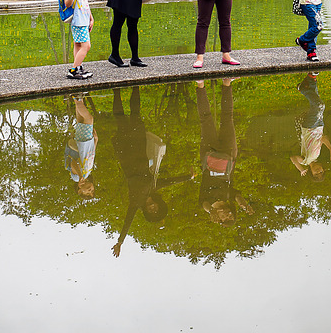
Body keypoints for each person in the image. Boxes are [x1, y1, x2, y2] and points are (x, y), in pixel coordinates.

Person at [110, 87, 195, 257]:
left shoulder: (135, 202)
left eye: (152, 212)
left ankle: (117, 91)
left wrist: (120, 241)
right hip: (139, 146)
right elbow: (170, 181)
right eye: (157, 209)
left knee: (120, 119)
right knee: (136, 115)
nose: (153, 208)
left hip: (126, 152)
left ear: (147, 211)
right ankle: (135, 87)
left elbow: (128, 220)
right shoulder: (154, 187)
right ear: (159, 205)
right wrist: (188, 177)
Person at [197, 78, 253, 226]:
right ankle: (227, 83)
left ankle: (200, 84)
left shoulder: (207, 203)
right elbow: (238, 196)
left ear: (219, 220)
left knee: (206, 120)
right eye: (232, 216)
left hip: (209, 156)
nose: (228, 215)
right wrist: (244, 205)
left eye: (226, 219)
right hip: (229, 154)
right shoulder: (229, 196)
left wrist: (212, 211)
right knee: (228, 118)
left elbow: (204, 204)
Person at [290, 73, 331, 181]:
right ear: (323, 169)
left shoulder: (305, 161)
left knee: (320, 106)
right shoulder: (317, 155)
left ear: (311, 172)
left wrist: (301, 169)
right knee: (316, 100)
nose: (319, 171)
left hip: (310, 127)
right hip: (319, 126)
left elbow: (293, 158)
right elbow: (323, 138)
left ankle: (302, 89)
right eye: (321, 172)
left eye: (316, 174)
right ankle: (311, 79)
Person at [63, 0, 94, 80]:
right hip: (78, 21)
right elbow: (67, 3)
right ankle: (74, 70)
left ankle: (78, 68)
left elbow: (85, 5)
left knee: (78, 45)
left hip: (84, 20)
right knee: (86, 46)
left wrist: (91, 19)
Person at [65, 94, 98, 199]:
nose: (90, 190)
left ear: (79, 191)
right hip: (88, 143)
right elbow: (91, 156)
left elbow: (73, 162)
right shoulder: (87, 174)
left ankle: (76, 98)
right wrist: (96, 141)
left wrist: (80, 176)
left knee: (89, 119)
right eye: (92, 191)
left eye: (87, 193)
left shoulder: (75, 178)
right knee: (81, 120)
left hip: (83, 143)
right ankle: (79, 99)